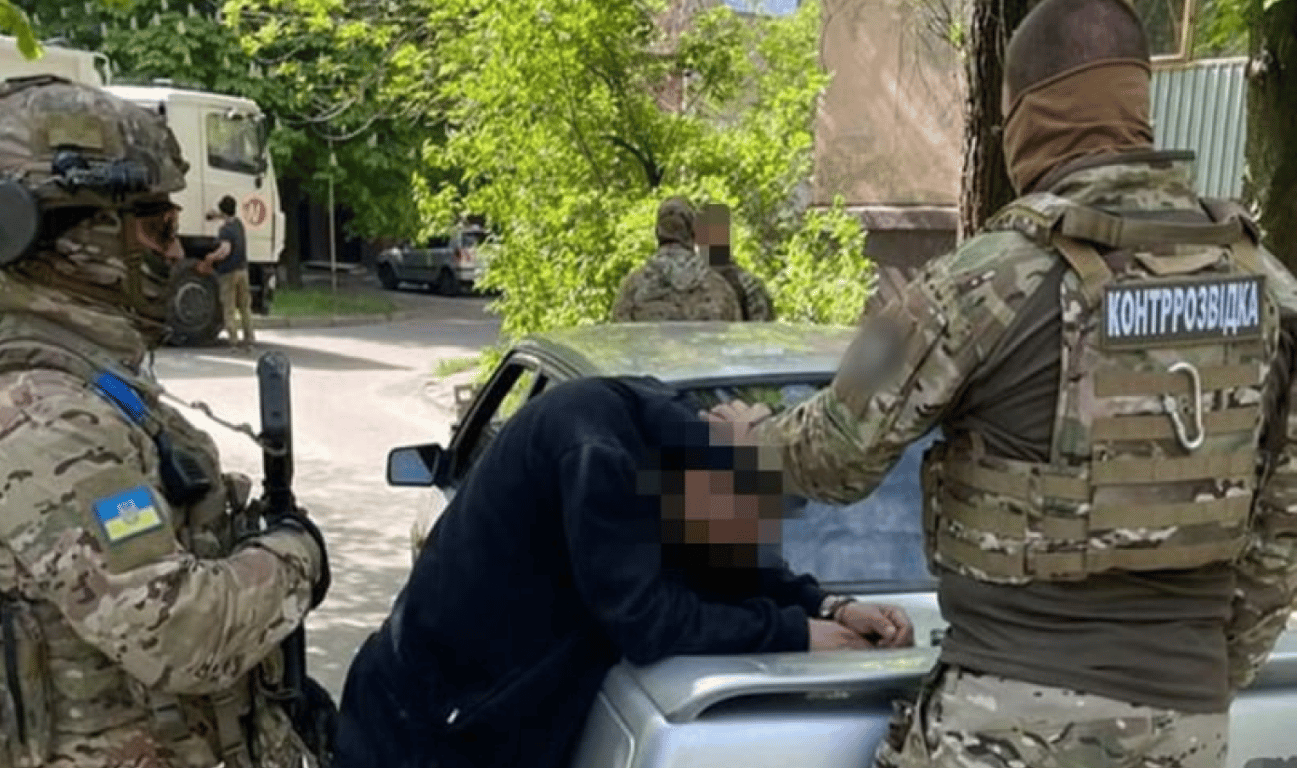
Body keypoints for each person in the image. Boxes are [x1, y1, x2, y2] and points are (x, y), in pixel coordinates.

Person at [706, 1, 1297, 765]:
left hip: (1004, 723)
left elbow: (836, 454)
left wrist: (749, 440)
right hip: (1186, 725)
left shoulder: (984, 279)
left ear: (1028, 116)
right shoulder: (1271, 292)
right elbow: (1281, 538)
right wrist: (1189, 683)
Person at [0, 76, 332, 768]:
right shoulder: (44, 418)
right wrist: (297, 556)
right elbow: (178, 632)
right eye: (158, 228)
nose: (174, 254)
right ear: (77, 238)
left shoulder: (73, 373)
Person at [334, 376, 915, 768]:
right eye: (754, 511)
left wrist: (830, 607)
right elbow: (646, 619)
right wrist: (795, 633)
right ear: (717, 473)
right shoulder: (595, 452)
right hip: (422, 731)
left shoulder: (676, 451)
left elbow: (722, 558)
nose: (758, 536)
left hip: (487, 721)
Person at [611, 197, 743, 322]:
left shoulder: (632, 288)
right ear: (693, 233)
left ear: (658, 232)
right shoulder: (720, 288)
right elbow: (735, 333)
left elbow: (619, 332)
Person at [205, 194, 255, 350]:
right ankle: (249, 339)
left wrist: (211, 257)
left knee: (229, 308)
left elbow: (225, 250)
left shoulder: (224, 230)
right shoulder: (238, 224)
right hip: (243, 271)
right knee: (245, 308)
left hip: (228, 272)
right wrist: (215, 215)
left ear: (222, 210)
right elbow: (227, 216)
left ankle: (233, 341)